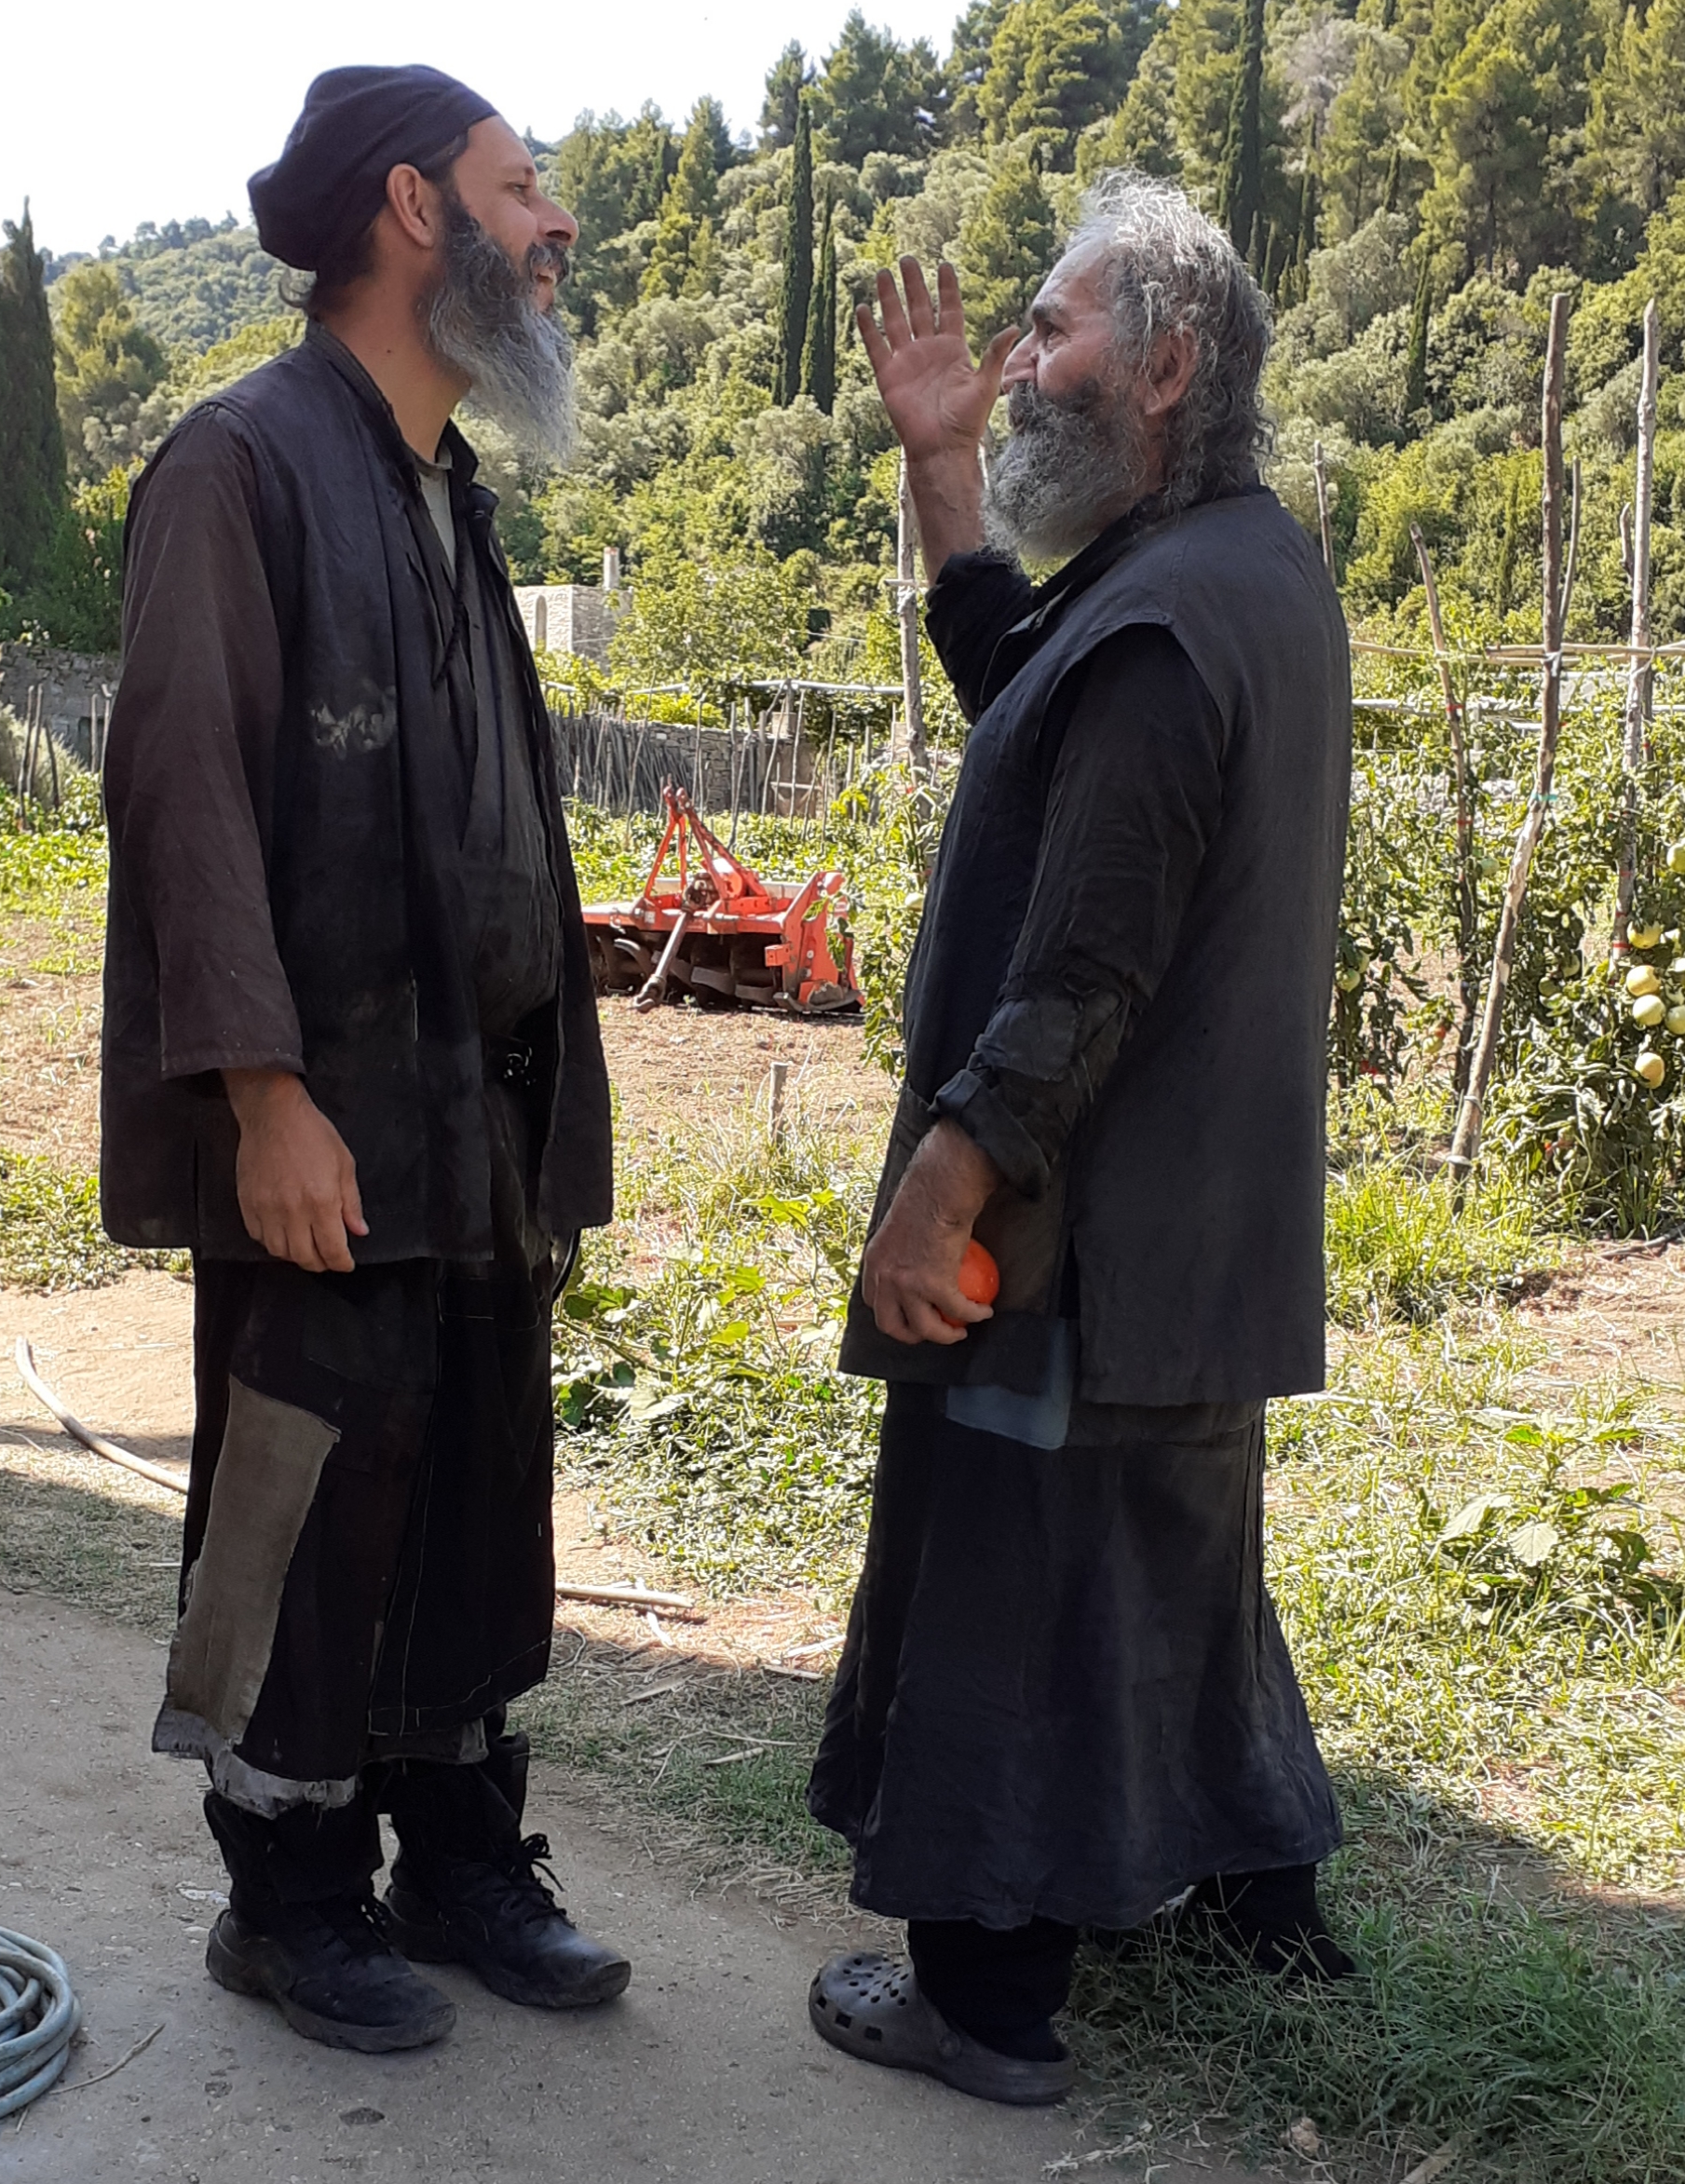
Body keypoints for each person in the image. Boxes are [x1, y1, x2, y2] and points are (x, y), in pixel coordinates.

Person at [804, 171, 1354, 2107]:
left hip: (1070, 1247)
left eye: (1053, 330)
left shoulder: (1163, 621)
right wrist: (940, 469)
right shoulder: (1237, 570)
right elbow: (1019, 699)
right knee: (1168, 1575)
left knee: (1007, 1580)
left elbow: (1082, 976)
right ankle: (1264, 1903)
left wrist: (939, 1185)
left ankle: (985, 1999)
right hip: (1200, 1254)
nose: (1021, 361)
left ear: (1169, 364)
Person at [99, 64, 628, 2056]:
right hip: (320, 1119)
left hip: (475, 1116)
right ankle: (290, 1896)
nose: (553, 226)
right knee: (300, 1494)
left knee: (476, 1487)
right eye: (522, 186)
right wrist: (262, 1094)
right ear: (416, 209)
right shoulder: (238, 465)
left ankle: (460, 1855)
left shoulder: (441, 493)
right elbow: (184, 796)